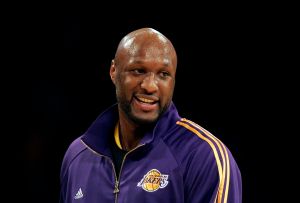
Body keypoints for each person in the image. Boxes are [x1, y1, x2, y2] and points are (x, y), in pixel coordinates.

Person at [60, 27, 242, 203]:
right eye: (138, 71)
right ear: (113, 71)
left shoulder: (203, 157)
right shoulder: (78, 156)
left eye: (163, 74)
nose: (150, 86)